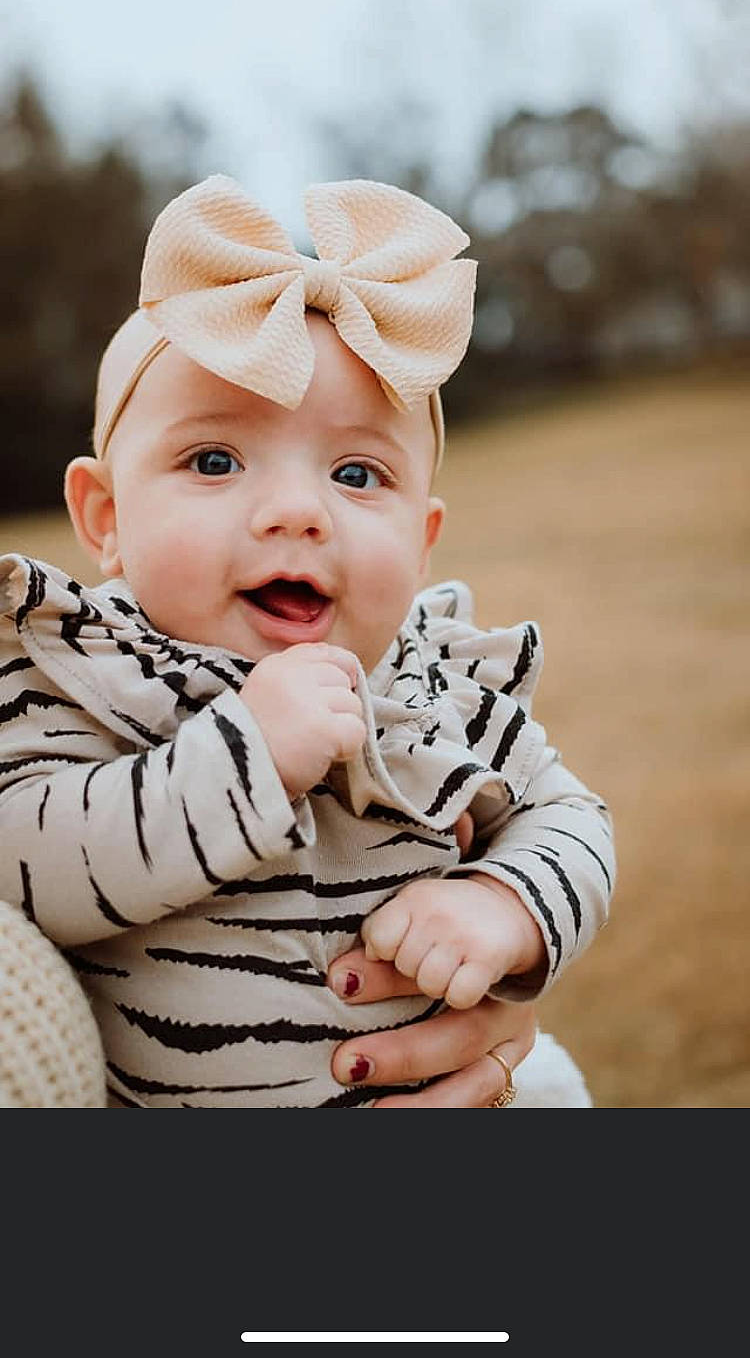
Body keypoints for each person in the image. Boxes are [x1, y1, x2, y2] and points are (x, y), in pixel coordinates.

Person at [0, 175, 614, 1108]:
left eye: (358, 473)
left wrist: (506, 903)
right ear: (105, 515)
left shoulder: (430, 682)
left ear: (423, 538)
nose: (297, 512)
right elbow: (21, 866)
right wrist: (240, 760)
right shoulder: (81, 675)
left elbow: (571, 819)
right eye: (215, 460)